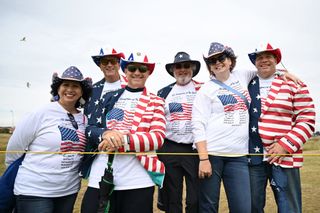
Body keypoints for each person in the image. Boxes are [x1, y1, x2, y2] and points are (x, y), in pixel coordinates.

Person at [82, 52, 166, 213]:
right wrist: (105, 134)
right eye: (132, 68)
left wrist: (121, 141)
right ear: (125, 71)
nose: (137, 72)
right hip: (101, 175)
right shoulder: (108, 97)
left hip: (138, 180)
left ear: (149, 73)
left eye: (142, 69)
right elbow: (90, 128)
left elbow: (157, 138)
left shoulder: (156, 101)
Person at [5, 66, 92, 213]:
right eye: (65, 85)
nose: (70, 89)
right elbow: (14, 149)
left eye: (75, 86)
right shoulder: (41, 112)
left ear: (82, 91)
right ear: (58, 89)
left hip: (68, 191)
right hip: (35, 191)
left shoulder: (85, 119)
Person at [247, 43, 316, 213]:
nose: (263, 60)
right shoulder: (246, 84)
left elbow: (307, 120)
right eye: (259, 57)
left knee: (289, 207)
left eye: (268, 56)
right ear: (255, 62)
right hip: (253, 157)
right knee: (252, 207)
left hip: (285, 156)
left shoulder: (294, 84)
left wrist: (285, 145)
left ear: (276, 60)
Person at [192, 42, 256, 213]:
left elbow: (265, 71)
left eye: (221, 58)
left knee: (243, 208)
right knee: (209, 207)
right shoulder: (205, 90)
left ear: (230, 60)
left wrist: (287, 74)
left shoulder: (242, 75)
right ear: (209, 67)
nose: (217, 63)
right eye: (212, 61)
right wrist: (203, 159)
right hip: (212, 155)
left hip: (238, 156)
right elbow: (198, 124)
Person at [81, 47, 128, 212]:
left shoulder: (130, 84)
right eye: (104, 61)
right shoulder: (91, 90)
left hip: (124, 152)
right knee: (92, 204)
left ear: (119, 63)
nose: (109, 64)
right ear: (99, 65)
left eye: (113, 61)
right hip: (98, 150)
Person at [157, 51, 202, 213]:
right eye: (178, 67)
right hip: (170, 147)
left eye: (186, 66)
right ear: (172, 70)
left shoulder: (202, 88)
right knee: (172, 196)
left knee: (195, 198)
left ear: (193, 68)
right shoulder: (163, 92)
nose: (182, 70)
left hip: (194, 148)